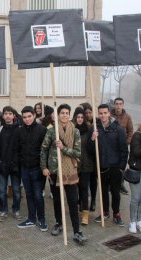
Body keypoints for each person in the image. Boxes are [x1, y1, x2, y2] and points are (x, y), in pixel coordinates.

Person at [41, 104, 87, 244]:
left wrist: (64, 148)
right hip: (54, 171)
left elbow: (78, 153)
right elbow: (44, 149)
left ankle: (77, 231)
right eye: (62, 113)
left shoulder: (75, 131)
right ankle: (59, 223)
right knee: (57, 200)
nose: (65, 115)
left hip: (70, 171)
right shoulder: (51, 131)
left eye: (67, 112)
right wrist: (44, 167)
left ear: (69, 114)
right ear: (58, 114)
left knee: (73, 201)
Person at [89, 104, 128, 226]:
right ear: (98, 114)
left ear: (109, 113)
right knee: (103, 191)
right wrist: (92, 139)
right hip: (102, 166)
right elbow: (90, 150)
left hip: (115, 167)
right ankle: (105, 212)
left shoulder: (119, 129)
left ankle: (116, 214)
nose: (103, 115)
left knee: (115, 192)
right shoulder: (95, 129)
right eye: (100, 113)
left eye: (105, 113)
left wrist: (121, 167)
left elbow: (124, 150)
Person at [13, 106, 47, 231]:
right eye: (24, 117)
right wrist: (17, 166)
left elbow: (45, 150)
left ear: (34, 116)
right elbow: (16, 149)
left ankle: (42, 219)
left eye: (29, 116)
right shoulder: (19, 131)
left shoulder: (42, 130)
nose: (27, 119)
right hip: (24, 169)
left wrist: (44, 167)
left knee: (38, 195)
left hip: (38, 169)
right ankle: (31, 219)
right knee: (29, 195)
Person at [0, 106, 22, 221]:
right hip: (2, 165)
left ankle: (16, 210)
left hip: (15, 166)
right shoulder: (0, 129)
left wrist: (16, 162)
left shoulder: (19, 129)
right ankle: (3, 210)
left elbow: (21, 148)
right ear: (3, 115)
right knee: (1, 190)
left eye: (10, 113)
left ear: (14, 116)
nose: (8, 116)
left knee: (16, 191)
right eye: (6, 113)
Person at [72, 107, 94, 225]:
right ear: (75, 118)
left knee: (84, 189)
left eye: (82, 117)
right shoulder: (71, 129)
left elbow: (91, 149)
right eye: (78, 117)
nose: (80, 119)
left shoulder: (89, 129)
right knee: (74, 190)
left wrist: (93, 139)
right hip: (74, 164)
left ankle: (85, 214)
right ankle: (75, 212)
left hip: (86, 164)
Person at [111, 97, 134, 195]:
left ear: (123, 105)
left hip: (122, 146)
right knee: (111, 165)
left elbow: (130, 131)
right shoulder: (109, 115)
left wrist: (127, 142)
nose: (118, 105)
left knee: (122, 165)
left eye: (120, 104)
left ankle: (121, 184)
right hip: (111, 146)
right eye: (117, 103)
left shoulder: (127, 117)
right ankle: (110, 184)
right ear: (114, 105)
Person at [84, 104, 97, 212]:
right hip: (86, 157)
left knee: (93, 181)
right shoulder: (84, 125)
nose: (88, 114)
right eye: (86, 113)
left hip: (95, 158)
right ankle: (84, 201)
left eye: (90, 112)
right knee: (85, 181)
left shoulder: (96, 124)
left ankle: (93, 200)